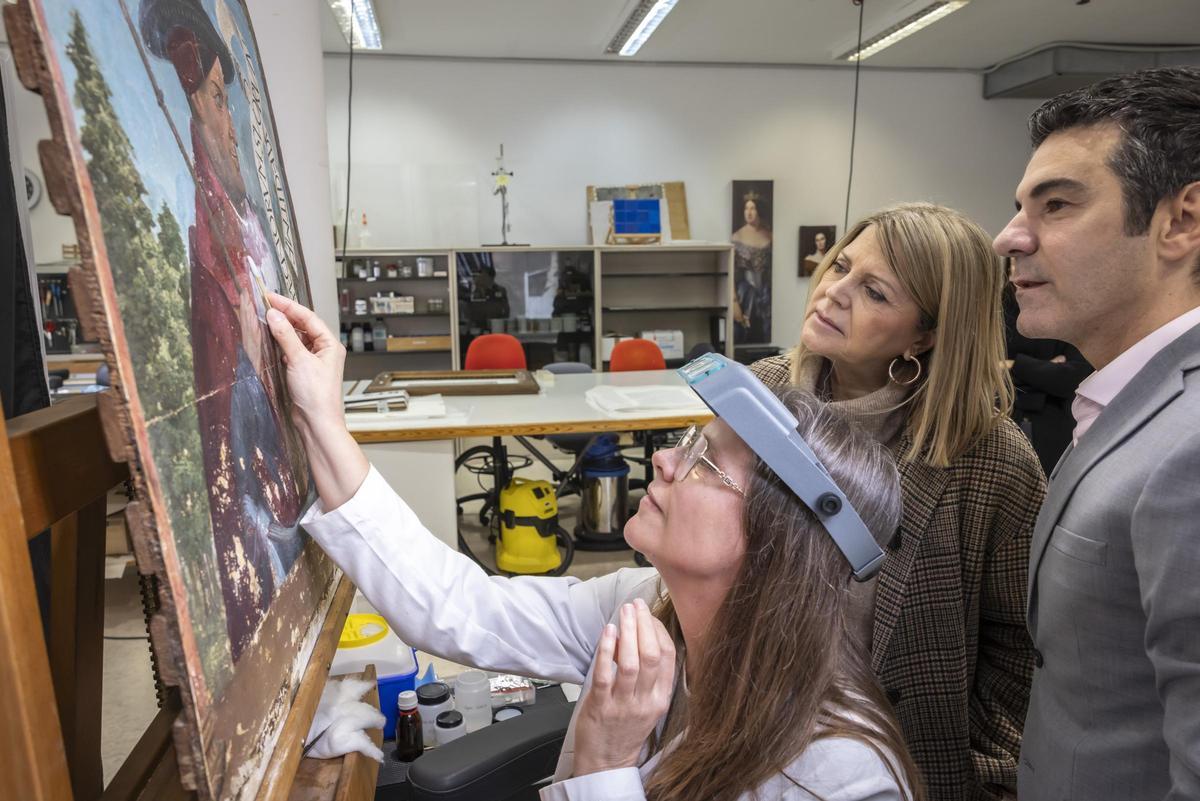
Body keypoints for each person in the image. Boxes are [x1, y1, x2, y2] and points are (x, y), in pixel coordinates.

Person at [265, 294, 923, 800]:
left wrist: (607, 762)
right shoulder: (643, 608)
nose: (664, 460)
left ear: (777, 540)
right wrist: (321, 418)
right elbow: (457, 605)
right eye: (689, 442)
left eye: (705, 462)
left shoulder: (841, 777)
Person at [751, 203, 1045, 801]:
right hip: (748, 728)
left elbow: (1021, 649)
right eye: (840, 267)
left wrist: (987, 774)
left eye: (875, 292)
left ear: (927, 334)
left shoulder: (991, 459)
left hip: (903, 760)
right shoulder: (759, 393)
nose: (833, 292)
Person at [992, 67, 1200, 801]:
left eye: (1057, 205)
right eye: (1021, 206)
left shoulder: (1191, 447)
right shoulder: (1126, 403)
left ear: (1181, 221)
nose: (1009, 236)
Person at [140, 0, 306, 659]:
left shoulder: (249, 238)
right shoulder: (213, 264)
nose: (232, 125)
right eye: (215, 98)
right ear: (192, 106)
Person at [1001, 282, 1091, 476]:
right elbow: (985, 368)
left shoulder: (1074, 313)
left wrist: (1012, 365)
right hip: (1004, 416)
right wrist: (1045, 367)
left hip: (1054, 431)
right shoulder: (1001, 308)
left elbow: (1072, 377)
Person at [732, 192, 773, 343]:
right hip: (745, 292)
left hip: (765, 292)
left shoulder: (768, 235)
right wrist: (734, 302)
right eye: (746, 208)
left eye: (753, 208)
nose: (748, 212)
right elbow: (731, 272)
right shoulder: (737, 237)